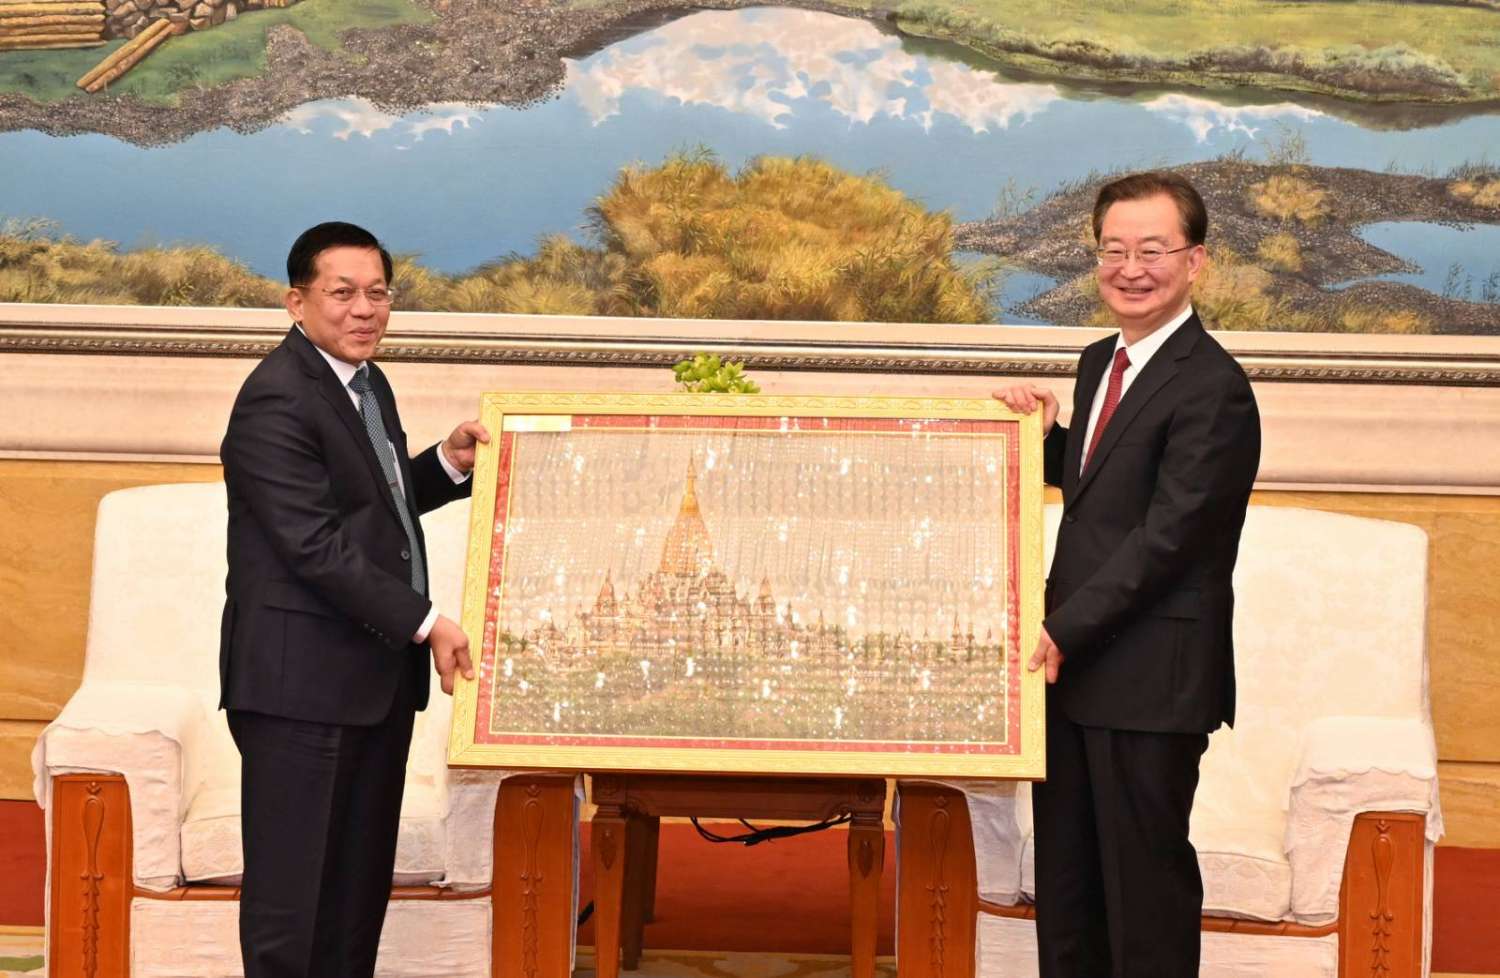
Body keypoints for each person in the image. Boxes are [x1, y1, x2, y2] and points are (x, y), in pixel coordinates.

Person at [996, 171, 1261, 978]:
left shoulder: (1214, 388)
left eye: (1153, 250)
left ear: (1195, 261)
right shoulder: (1097, 361)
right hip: (1072, 671)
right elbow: (1105, 491)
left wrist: (1060, 628)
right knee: (1068, 889)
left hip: (1150, 680)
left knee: (1143, 896)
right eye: (1113, 250)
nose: (1130, 269)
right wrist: (1046, 441)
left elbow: (1169, 536)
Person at [218, 221, 487, 978]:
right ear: (296, 302)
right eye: (342, 293)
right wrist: (426, 623)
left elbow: (374, 509)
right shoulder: (276, 397)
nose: (364, 309)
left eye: (378, 293)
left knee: (352, 896)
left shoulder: (365, 382)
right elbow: (314, 546)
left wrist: (446, 463)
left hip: (370, 683)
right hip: (300, 689)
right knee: (294, 902)